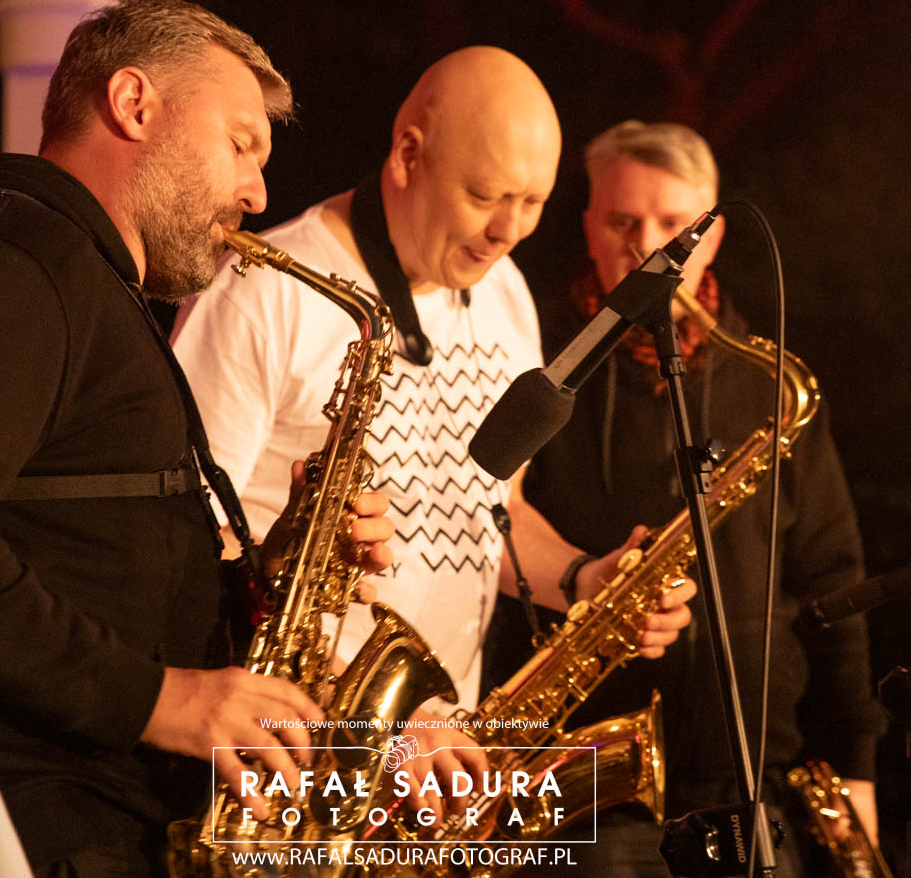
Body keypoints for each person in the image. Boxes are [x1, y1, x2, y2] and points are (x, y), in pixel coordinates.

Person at [0, 0, 392, 876]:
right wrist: (159, 700)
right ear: (133, 103)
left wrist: (278, 567)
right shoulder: (7, 256)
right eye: (241, 143)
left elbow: (77, 549)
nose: (259, 194)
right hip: (2, 826)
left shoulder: (79, 276)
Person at [172, 48, 696, 811]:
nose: (508, 231)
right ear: (409, 153)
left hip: (434, 770)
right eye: (485, 195)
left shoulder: (504, 291)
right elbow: (188, 543)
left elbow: (495, 512)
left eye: (532, 201)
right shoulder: (263, 290)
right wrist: (379, 715)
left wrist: (584, 579)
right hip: (288, 762)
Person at [489, 120, 887, 876]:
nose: (648, 246)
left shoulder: (771, 384)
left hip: (755, 785)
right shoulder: (532, 364)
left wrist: (857, 765)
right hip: (583, 796)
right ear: (589, 227)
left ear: (714, 235)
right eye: (623, 221)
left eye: (673, 225)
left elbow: (831, 582)